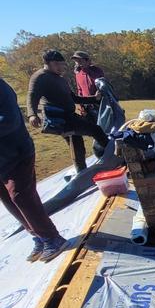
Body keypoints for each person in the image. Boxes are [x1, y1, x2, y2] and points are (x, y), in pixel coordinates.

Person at [0, 77, 67, 262]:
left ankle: (52, 238)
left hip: (17, 153)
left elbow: (9, 121)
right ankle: (38, 236)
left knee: (20, 195)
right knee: (8, 199)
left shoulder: (1, 89)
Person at [27, 49, 109, 174]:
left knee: (76, 141)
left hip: (70, 116)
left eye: (62, 64)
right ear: (49, 63)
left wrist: (94, 99)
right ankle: (113, 155)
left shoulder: (60, 78)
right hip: (59, 117)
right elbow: (32, 95)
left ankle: (81, 172)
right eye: (58, 64)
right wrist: (32, 114)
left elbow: (74, 98)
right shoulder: (40, 77)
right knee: (95, 130)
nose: (61, 67)